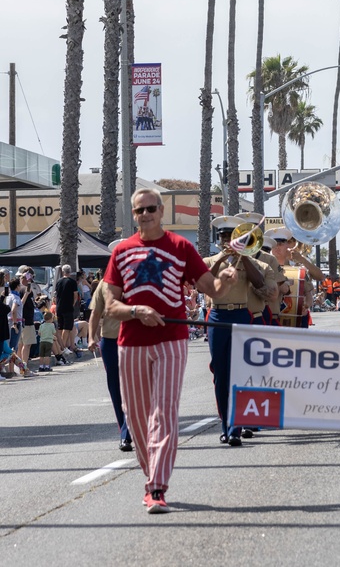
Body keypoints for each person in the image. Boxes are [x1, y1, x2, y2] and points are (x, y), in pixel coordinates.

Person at [102, 188, 240, 513]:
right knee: (136, 417)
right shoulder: (122, 251)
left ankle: (156, 487)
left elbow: (212, 289)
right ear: (133, 215)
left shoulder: (181, 247)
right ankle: (151, 476)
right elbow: (110, 304)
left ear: (161, 210)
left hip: (171, 340)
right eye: (140, 210)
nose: (146, 214)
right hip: (131, 342)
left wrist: (228, 281)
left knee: (163, 413)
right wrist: (137, 312)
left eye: (151, 208)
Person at [205, 214, 274, 445]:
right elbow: (205, 281)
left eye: (233, 237)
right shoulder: (208, 260)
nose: (228, 241)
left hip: (241, 315)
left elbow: (259, 284)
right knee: (221, 374)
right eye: (224, 237)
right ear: (219, 239)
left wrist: (243, 258)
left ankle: (236, 427)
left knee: (241, 372)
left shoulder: (251, 261)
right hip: (217, 315)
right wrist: (221, 258)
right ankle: (226, 424)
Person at [88, 279, 132, 450]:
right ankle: (124, 432)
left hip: (132, 339)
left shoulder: (137, 278)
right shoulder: (104, 284)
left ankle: (127, 433)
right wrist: (91, 337)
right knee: (115, 388)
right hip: (110, 339)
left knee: (132, 386)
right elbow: (95, 313)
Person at [55, 264, 80, 359]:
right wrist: (73, 304)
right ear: (70, 271)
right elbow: (75, 295)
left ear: (62, 271)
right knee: (67, 327)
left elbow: (57, 294)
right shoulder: (72, 282)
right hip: (68, 307)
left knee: (60, 326)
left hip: (59, 306)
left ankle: (61, 346)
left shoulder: (59, 281)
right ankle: (63, 346)